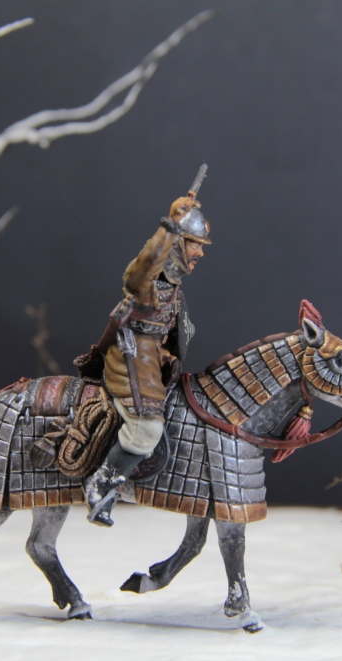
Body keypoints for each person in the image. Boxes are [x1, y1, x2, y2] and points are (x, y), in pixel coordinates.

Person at [75, 184, 210, 526]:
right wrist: (170, 227)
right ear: (177, 244)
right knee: (147, 429)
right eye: (194, 244)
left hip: (152, 359)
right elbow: (139, 271)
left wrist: (167, 356)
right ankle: (101, 486)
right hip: (131, 358)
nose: (200, 252)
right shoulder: (147, 282)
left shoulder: (172, 289)